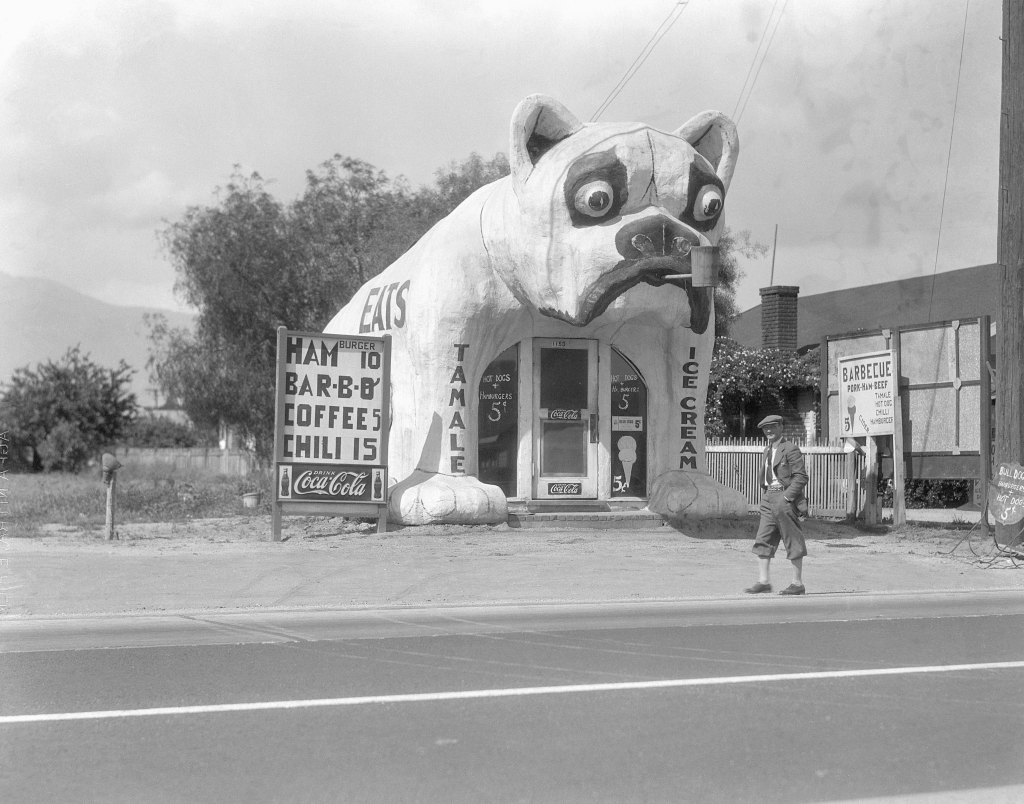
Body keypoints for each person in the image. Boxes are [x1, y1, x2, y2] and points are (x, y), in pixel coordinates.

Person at [745, 414, 809, 595]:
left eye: (772, 427)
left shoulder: (790, 449)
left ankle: (797, 583)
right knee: (763, 538)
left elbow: (801, 476)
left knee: (792, 539)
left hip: (784, 497)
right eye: (766, 428)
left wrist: (788, 497)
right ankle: (764, 581)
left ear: (781, 427)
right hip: (768, 498)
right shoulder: (767, 450)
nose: (769, 431)